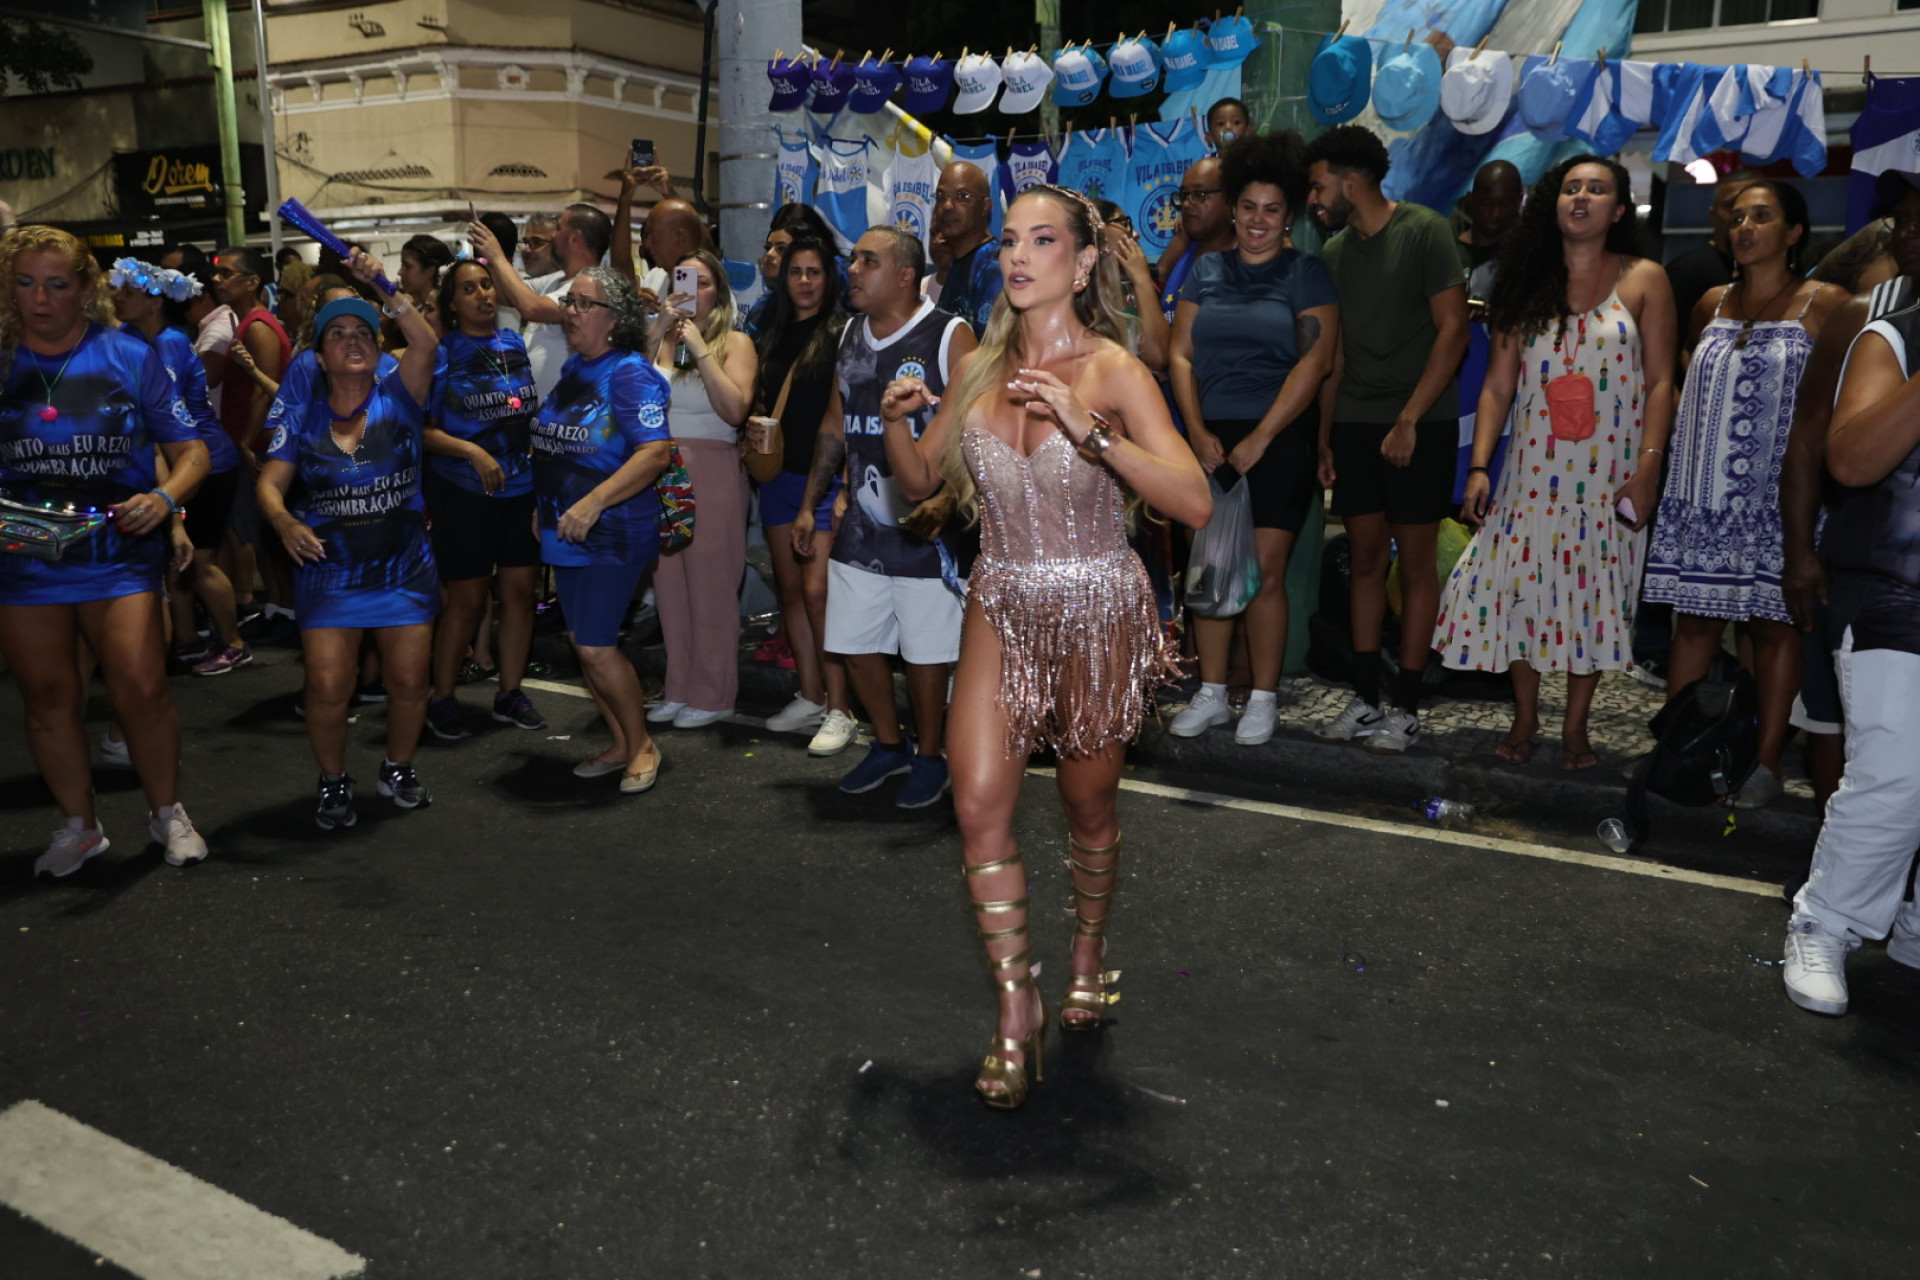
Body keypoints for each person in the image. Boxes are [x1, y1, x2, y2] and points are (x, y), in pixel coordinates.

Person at [877, 186, 1212, 1108]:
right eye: (1011, 241)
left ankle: (1090, 954)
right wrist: (903, 417)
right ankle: (1015, 1009)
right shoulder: (981, 366)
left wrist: (1090, 433)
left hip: (1096, 605)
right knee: (978, 801)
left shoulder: (1115, 371)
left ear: (1083, 260)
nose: (1020, 257)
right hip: (1001, 596)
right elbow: (920, 486)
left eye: (1043, 240)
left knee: (1089, 807)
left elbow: (1193, 502)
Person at [1435, 156, 1677, 768]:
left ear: (1619, 209)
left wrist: (1649, 465)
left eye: (1597, 190)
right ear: (1554, 203)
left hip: (1610, 476)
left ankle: (1575, 727)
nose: (1582, 198)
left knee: (1594, 596)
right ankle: (1524, 718)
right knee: (1517, 590)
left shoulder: (1645, 278)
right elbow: (1497, 386)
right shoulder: (1524, 281)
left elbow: (1660, 382)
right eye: (1571, 188)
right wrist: (1482, 466)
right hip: (1531, 475)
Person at [0, 225, 212, 874]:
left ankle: (166, 812)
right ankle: (78, 825)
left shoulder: (129, 355)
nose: (41, 299)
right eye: (26, 283)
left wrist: (167, 501)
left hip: (117, 548)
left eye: (57, 284)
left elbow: (192, 451)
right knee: (46, 694)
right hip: (24, 550)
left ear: (87, 288)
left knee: (141, 687)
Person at [1642, 179, 1846, 808]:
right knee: (1694, 627)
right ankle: (1679, 750)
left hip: (1777, 499)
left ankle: (1762, 765)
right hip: (1702, 496)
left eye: (1762, 216)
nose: (1746, 227)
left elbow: (1831, 405)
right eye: (1737, 217)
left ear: (1793, 233)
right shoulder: (1709, 304)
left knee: (1775, 629)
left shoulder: (1827, 304)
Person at [792, 226, 977, 807]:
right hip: (862, 523)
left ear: (903, 274)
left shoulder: (949, 334)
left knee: (926, 650)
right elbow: (833, 422)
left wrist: (955, 501)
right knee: (853, 639)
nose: (852, 269)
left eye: (867, 261)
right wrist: (810, 503)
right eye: (853, 259)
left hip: (930, 528)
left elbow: (976, 429)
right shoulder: (848, 331)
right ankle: (889, 745)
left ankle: (930, 755)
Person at [1778, 263, 1920, 1016]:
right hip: (1895, 585)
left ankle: (1915, 924)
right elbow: (1851, 459)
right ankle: (1824, 924)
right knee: (1897, 775)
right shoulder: (1890, 333)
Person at [1168, 131, 1340, 746]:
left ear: (1288, 214)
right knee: (1209, 569)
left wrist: (1263, 438)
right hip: (1210, 437)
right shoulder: (1205, 270)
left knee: (1264, 572)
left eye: (1271, 210)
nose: (1257, 221)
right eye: (1247, 208)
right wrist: (1195, 432)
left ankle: (1262, 698)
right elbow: (1180, 356)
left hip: (1278, 438)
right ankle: (1212, 693)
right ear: (1233, 209)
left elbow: (1314, 364)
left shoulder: (1307, 272)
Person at [258, 253, 440, 830]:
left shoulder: (400, 397)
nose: (352, 340)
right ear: (318, 356)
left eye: (363, 331)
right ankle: (334, 779)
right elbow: (269, 484)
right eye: (337, 333)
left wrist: (382, 284)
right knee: (329, 684)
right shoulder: (304, 418)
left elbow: (427, 344)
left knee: (410, 681)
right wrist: (285, 522)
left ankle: (399, 767)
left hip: (403, 566)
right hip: (331, 571)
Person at [1306, 124, 1470, 754]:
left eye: (1320, 187)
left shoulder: (1425, 231)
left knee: (1417, 562)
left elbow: (1453, 331)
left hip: (1419, 423)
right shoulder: (1335, 254)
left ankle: (1405, 705)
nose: (1315, 201)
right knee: (1366, 558)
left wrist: (1408, 419)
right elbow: (1335, 355)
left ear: (1353, 181)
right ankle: (1367, 698)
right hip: (1354, 423)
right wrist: (1324, 438)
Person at [531, 267, 673, 792]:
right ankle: (619, 742)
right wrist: (542, 503)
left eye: (583, 304)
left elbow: (654, 453)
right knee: (579, 640)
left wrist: (592, 501)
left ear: (615, 320)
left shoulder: (630, 373)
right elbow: (553, 441)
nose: (570, 311)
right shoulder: (574, 369)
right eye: (569, 301)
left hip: (612, 529)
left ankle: (641, 746)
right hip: (564, 526)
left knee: (594, 646)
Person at [420, 259, 547, 741]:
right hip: (463, 489)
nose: (483, 295)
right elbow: (422, 430)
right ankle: (443, 697)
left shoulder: (512, 343)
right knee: (468, 601)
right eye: (469, 289)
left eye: (487, 284)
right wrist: (470, 449)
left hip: (520, 486)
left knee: (519, 594)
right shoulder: (441, 353)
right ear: (452, 304)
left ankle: (509, 693)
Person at [108, 258, 251, 677]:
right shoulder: (132, 336)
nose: (117, 297)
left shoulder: (168, 343)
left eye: (128, 292)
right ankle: (186, 642)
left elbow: (166, 422)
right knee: (177, 563)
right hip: (167, 466)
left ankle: (234, 642)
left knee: (200, 562)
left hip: (205, 464)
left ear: (155, 302)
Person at [752, 235, 855, 749]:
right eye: (796, 272)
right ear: (783, 277)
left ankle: (841, 708)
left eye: (815, 272)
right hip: (777, 478)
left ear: (828, 278)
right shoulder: (772, 332)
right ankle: (811, 696)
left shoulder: (843, 333)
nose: (805, 282)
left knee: (819, 595)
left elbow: (846, 418)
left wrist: (840, 488)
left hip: (823, 478)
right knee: (791, 592)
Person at [646, 249, 757, 729]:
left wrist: (701, 345)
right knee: (668, 586)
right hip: (661, 466)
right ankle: (679, 688)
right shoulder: (664, 338)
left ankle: (714, 694)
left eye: (703, 282)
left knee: (711, 586)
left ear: (721, 292)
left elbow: (735, 410)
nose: (692, 289)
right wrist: (659, 332)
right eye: (684, 279)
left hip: (711, 467)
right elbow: (636, 396)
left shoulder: (735, 342)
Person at [471, 203, 613, 398]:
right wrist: (486, 258)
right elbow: (507, 294)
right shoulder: (556, 278)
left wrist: (498, 257)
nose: (553, 235)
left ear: (574, 238)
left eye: (558, 228)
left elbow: (532, 308)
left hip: (564, 412)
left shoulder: (592, 286)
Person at [1664, 169, 1760, 371]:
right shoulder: (1689, 270)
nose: (1744, 222)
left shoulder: (1772, 277)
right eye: (1732, 209)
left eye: (1759, 213)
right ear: (1713, 214)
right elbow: (1667, 351)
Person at [740, 203, 838, 339]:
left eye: (781, 249)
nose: (769, 255)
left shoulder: (839, 323)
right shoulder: (764, 308)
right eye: (768, 247)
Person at [1156, 156, 1236, 321]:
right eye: (1184, 195)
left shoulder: (1243, 262)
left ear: (1230, 199)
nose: (1185, 204)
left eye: (1199, 194)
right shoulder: (1184, 249)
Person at [931, 161, 1003, 334]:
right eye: (941, 196)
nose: (947, 205)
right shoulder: (959, 261)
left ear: (986, 207)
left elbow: (990, 354)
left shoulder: (996, 266)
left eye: (962, 196)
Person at [1456, 159, 1523, 284]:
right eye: (1486, 204)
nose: (1495, 214)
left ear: (1518, 201)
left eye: (1504, 204)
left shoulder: (1527, 257)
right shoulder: (1446, 255)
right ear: (1471, 199)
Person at [636, 199, 709, 298]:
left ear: (680, 237)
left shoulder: (708, 287)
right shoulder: (654, 277)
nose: (648, 244)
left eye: (655, 235)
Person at [391, 234, 455, 345]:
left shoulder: (448, 315)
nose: (400, 272)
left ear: (430, 271)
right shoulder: (409, 308)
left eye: (407, 266)